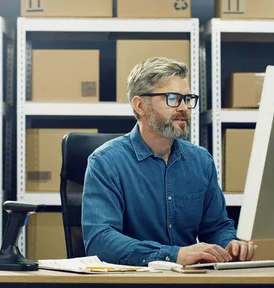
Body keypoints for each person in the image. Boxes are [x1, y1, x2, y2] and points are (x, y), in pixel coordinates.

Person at [81, 57, 257, 266]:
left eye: (187, 98)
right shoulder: (106, 162)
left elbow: (216, 227)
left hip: (189, 282)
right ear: (140, 105)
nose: (184, 107)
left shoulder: (201, 161)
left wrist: (231, 245)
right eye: (173, 98)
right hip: (132, 283)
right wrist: (173, 255)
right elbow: (100, 241)